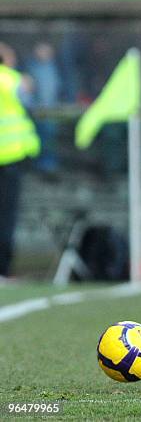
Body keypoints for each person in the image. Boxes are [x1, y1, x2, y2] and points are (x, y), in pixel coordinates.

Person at [0, 44, 41, 279]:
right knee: (6, 217)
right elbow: (29, 106)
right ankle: (3, 270)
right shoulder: (13, 81)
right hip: (11, 156)